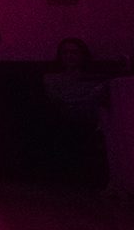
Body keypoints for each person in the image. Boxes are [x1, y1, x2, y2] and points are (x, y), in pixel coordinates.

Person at [40, 37, 109, 190]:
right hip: (68, 113)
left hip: (94, 111)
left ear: (82, 55)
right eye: (64, 53)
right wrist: (84, 98)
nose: (69, 56)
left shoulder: (96, 77)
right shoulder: (52, 77)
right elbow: (57, 99)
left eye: (73, 52)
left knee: (105, 109)